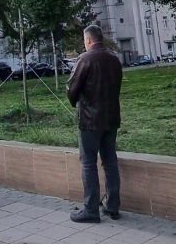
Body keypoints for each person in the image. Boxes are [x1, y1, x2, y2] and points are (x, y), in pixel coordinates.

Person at [66, 23, 123, 223]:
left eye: (84, 40)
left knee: (88, 163)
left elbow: (72, 88)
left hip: (90, 120)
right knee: (110, 161)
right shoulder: (114, 59)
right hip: (111, 118)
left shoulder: (85, 59)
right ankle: (112, 206)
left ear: (88, 40)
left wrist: (74, 101)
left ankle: (91, 210)